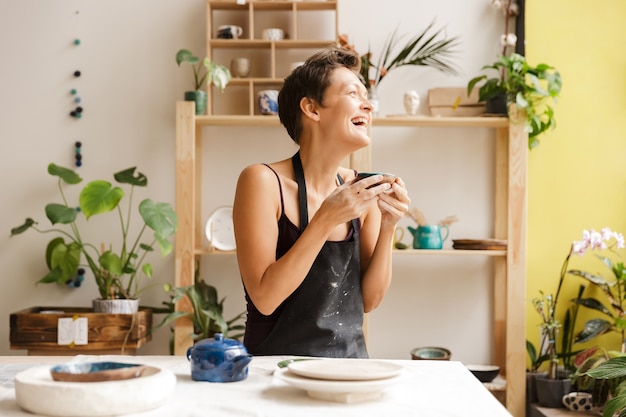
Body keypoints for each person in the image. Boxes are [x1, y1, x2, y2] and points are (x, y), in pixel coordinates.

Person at [232, 46, 410, 358]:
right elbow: (265, 298)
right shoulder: (261, 181)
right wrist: (327, 218)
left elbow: (369, 300)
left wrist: (388, 226)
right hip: (275, 373)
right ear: (312, 109)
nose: (367, 106)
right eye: (353, 93)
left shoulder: (359, 191)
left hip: (349, 370)